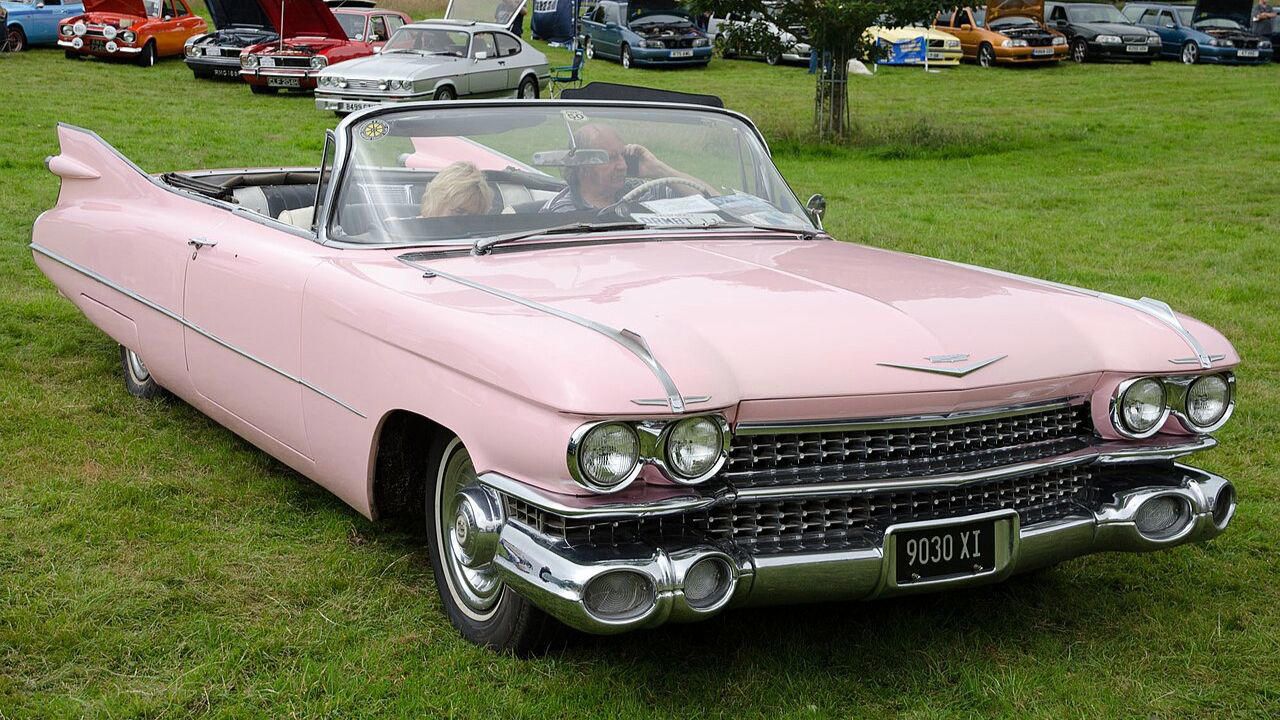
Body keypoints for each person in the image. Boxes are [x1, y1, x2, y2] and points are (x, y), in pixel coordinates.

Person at [542, 124, 697, 212]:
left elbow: (713, 201)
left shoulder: (640, 192)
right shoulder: (562, 210)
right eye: (611, 158)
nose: (623, 165)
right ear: (583, 167)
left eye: (623, 155)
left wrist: (659, 170)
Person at [420, 162, 494, 218]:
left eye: (472, 217)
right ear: (437, 202)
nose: (465, 222)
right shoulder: (411, 232)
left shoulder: (480, 236)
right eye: (459, 212)